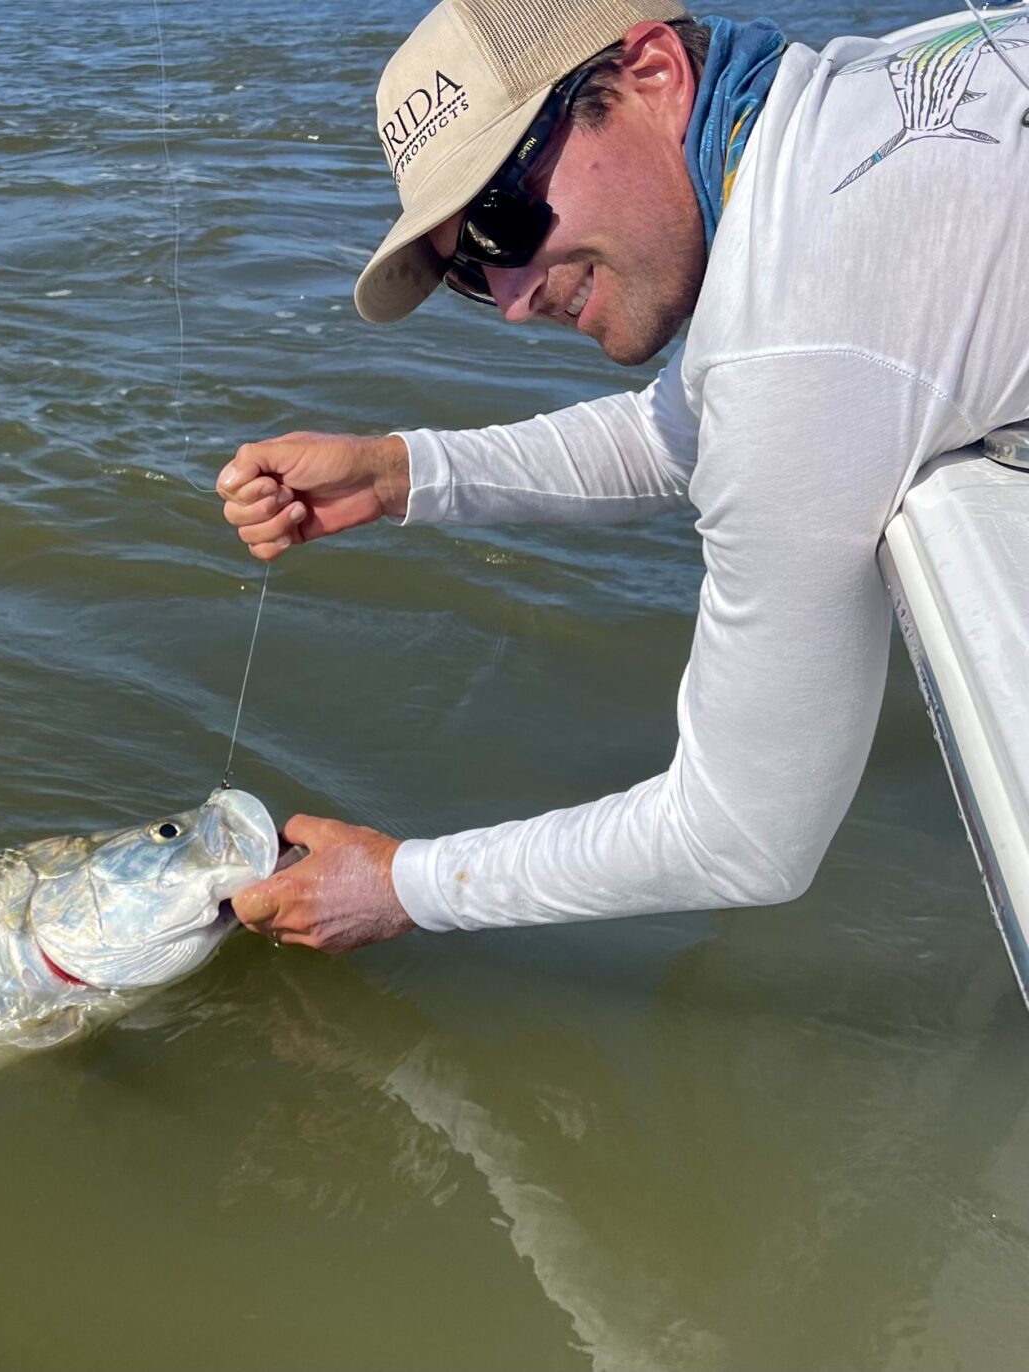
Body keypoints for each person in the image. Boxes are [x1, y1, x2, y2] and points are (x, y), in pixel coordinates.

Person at [220, 1, 1029, 950]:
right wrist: (401, 474)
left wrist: (401, 887)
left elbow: (741, 836)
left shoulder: (801, 323)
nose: (513, 301)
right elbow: (698, 426)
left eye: (498, 219)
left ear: (652, 75)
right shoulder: (851, 100)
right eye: (469, 275)